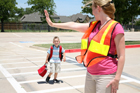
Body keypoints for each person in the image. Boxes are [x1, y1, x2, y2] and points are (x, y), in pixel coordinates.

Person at [44, 0, 125, 92]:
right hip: (90, 73)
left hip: (106, 75)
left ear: (98, 8)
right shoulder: (94, 26)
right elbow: (73, 25)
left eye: (92, 9)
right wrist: (53, 24)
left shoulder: (116, 27)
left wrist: (117, 78)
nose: (92, 13)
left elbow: (121, 55)